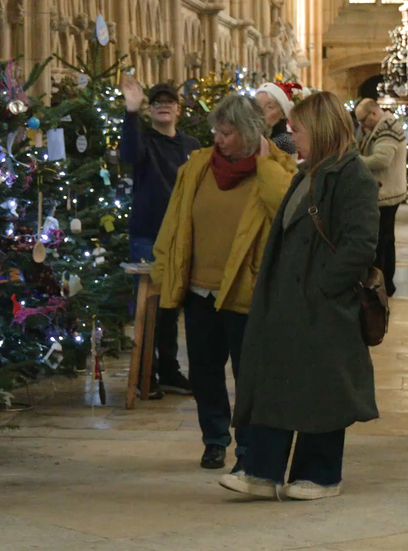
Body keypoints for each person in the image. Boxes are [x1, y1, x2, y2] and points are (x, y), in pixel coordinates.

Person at [224, 91, 380, 500]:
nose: (292, 136)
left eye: (299, 129)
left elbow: (360, 245)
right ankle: (261, 470)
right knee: (280, 384)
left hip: (322, 307)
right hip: (289, 304)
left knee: (321, 391)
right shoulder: (308, 172)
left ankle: (321, 475)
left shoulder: (352, 176)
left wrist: (322, 288)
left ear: (323, 129)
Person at [152, 94, 295, 471]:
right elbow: (175, 221)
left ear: (249, 134)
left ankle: (248, 447)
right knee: (204, 371)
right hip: (200, 290)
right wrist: (164, 269)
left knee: (248, 375)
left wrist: (264, 162)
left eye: (228, 133)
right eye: (217, 131)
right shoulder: (198, 167)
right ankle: (214, 439)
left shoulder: (276, 169)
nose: (219, 139)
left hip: (245, 292)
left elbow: (284, 210)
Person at [120, 76, 200, 397]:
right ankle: (145, 374)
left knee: (170, 307)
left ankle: (169, 370)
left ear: (178, 109)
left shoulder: (192, 146)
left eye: (169, 102)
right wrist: (131, 109)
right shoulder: (143, 141)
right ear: (151, 109)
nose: (163, 106)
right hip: (148, 233)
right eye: (157, 102)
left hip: (182, 235)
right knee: (146, 306)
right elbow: (127, 154)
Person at [355, 98, 406, 297]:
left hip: (386, 193)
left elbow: (381, 160)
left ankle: (384, 284)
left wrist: (354, 160)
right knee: (385, 239)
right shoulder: (381, 125)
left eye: (363, 120)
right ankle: (384, 282)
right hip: (384, 191)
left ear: (374, 114)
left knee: (383, 240)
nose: (361, 125)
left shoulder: (387, 128)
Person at [255, 82, 299, 156]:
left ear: (282, 113)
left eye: (269, 107)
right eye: (258, 106)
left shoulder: (284, 142)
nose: (261, 111)